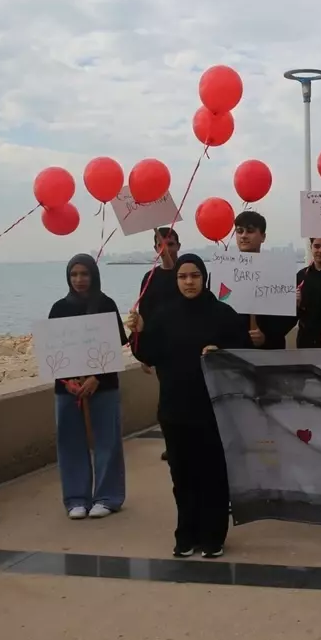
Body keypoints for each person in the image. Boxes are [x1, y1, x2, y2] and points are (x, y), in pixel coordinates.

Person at [128, 254, 249, 558]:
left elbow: (244, 353)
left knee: (213, 474)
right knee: (182, 476)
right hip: (175, 409)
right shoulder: (164, 315)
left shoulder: (224, 314)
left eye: (194, 276)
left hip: (214, 410)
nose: (189, 282)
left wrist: (220, 352)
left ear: (204, 278)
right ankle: (187, 533)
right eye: (183, 277)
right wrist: (139, 331)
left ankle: (213, 535)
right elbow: (148, 355)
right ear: (176, 280)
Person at [48, 254, 128, 519]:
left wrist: (97, 377)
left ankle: (108, 496)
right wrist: (68, 382)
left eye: (84, 274)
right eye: (74, 274)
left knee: (108, 440)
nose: (80, 280)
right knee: (70, 442)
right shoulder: (59, 308)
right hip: (68, 389)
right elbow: (52, 350)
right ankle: (76, 498)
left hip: (103, 386)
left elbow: (117, 344)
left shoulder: (106, 304)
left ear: (93, 275)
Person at [139, 227, 181, 462]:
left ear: (178, 246)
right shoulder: (150, 278)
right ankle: (170, 443)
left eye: (171, 243)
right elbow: (144, 314)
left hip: (186, 348)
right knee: (166, 401)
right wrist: (144, 353)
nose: (166, 248)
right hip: (162, 350)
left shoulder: (187, 273)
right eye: (161, 244)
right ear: (155, 248)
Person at [233, 210, 298, 349]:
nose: (243, 236)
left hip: (271, 351)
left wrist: (267, 336)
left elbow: (289, 318)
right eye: (239, 231)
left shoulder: (279, 271)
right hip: (235, 350)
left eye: (250, 231)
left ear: (263, 236)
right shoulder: (224, 271)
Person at [296, 237, 321, 349]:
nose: (320, 250)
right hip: (305, 340)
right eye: (317, 246)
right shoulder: (301, 276)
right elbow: (294, 314)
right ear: (311, 247)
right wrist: (296, 304)